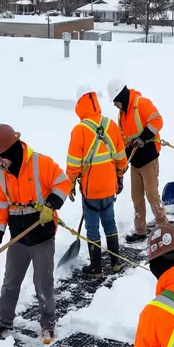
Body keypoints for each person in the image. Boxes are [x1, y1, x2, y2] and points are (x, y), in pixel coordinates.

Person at [0, 124, 72, 345]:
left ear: (12, 150)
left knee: (43, 284)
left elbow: (63, 183)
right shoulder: (0, 176)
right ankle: (4, 321)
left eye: (2, 156)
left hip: (42, 237)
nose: (0, 161)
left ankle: (48, 325)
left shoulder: (40, 163)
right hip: (18, 239)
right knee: (10, 283)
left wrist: (50, 205)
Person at [67, 85, 128, 278]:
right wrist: (119, 177)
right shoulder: (110, 124)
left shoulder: (79, 130)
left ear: (79, 105)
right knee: (110, 223)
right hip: (109, 187)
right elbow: (121, 157)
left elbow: (73, 165)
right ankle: (116, 262)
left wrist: (70, 184)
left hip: (90, 190)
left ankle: (96, 267)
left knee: (92, 227)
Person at [108, 78, 169, 242]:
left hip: (149, 158)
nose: (114, 105)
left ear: (120, 96)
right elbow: (123, 140)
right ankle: (140, 230)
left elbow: (157, 121)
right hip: (135, 161)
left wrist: (143, 137)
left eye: (115, 101)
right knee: (136, 197)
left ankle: (164, 226)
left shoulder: (141, 103)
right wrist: (123, 162)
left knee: (152, 195)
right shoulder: (121, 115)